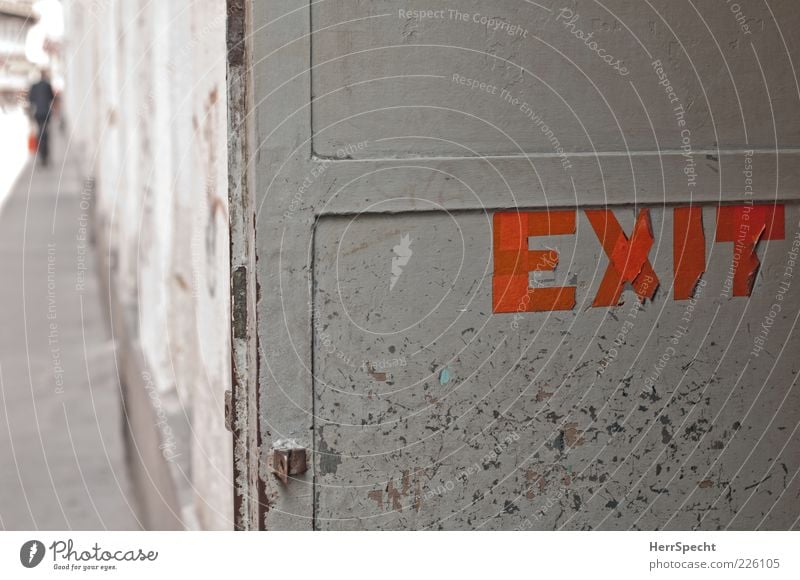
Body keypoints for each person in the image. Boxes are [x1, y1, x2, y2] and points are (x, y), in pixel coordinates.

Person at [28, 70, 55, 166]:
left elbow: (30, 100)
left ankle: (41, 153)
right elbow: (52, 98)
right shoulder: (48, 85)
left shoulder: (34, 86)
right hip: (46, 113)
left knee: (40, 132)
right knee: (46, 132)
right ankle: (45, 154)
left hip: (38, 113)